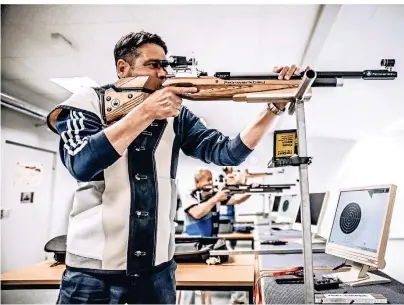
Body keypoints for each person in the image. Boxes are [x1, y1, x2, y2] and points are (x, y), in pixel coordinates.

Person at [46, 30, 306, 304]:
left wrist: (274, 107)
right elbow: (80, 163)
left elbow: (228, 153)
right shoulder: (86, 103)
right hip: (92, 272)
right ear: (123, 68)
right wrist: (146, 112)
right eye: (153, 64)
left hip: (156, 271)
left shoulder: (177, 115)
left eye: (165, 65)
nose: (163, 73)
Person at [181, 168, 253, 304]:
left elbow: (236, 200)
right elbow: (197, 213)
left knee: (237, 265)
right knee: (187, 279)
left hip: (213, 243)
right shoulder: (189, 195)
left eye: (212, 179)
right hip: (192, 245)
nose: (211, 182)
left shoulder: (213, 194)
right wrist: (215, 198)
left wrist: (250, 190)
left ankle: (237, 301)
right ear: (197, 182)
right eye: (208, 179)